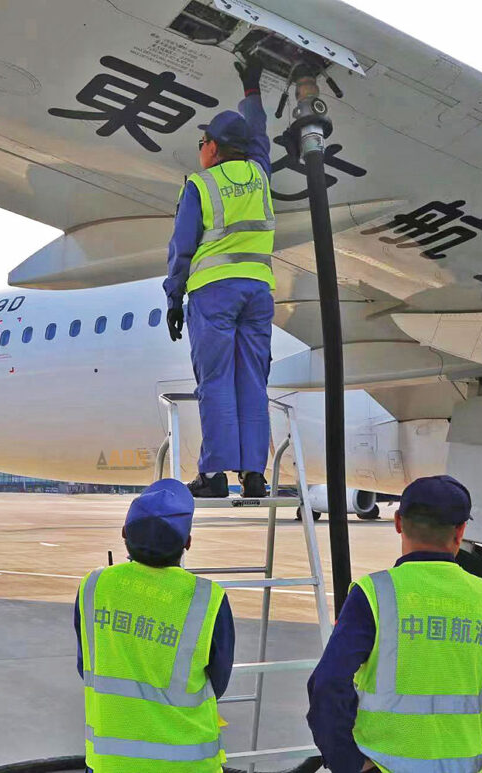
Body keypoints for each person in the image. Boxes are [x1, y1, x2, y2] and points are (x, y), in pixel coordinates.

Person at [307, 475, 482, 772]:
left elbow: (327, 683)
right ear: (460, 532)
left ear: (398, 523)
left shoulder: (375, 594)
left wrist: (349, 763)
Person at [163, 57, 276, 499]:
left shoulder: (200, 185)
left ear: (211, 146)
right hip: (258, 293)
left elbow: (181, 250)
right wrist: (252, 90)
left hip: (214, 294)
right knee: (252, 381)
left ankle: (213, 475)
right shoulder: (260, 174)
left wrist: (174, 298)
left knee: (215, 382)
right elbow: (258, 133)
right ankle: (254, 475)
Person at [73, 479, 234, 772]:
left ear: (124, 533)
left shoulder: (95, 587)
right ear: (187, 542)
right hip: (188, 764)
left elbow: (85, 665)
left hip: (110, 763)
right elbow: (218, 682)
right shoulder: (207, 599)